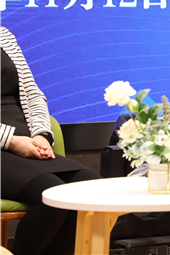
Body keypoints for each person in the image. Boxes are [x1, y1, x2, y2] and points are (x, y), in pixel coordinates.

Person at [1, 26, 101, 255]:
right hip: (7, 145)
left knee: (92, 186)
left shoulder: (3, 35)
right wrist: (12, 141)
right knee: (51, 193)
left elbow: (32, 93)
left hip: (25, 139)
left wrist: (41, 134)